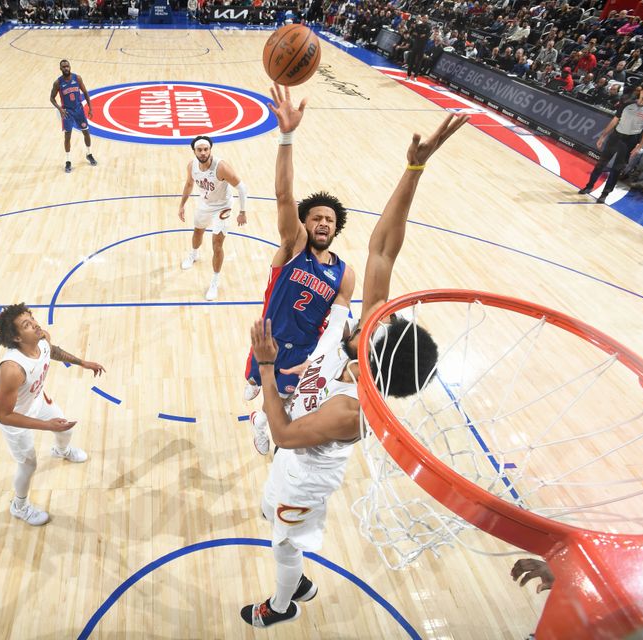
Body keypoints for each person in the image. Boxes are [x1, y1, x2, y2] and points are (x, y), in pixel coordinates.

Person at [240, 107, 467, 628]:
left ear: (377, 359)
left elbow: (283, 431)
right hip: (295, 435)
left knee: (283, 538)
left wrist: (272, 371)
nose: (368, 322)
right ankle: (294, 576)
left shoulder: (352, 410)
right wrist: (413, 170)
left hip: (305, 474)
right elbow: (383, 249)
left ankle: (280, 605)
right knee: (267, 514)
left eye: (374, 332)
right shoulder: (353, 344)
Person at [243, 86, 356, 455]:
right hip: (269, 338)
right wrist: (287, 136)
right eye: (316, 217)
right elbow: (283, 194)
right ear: (305, 224)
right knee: (258, 384)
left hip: (304, 350)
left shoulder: (345, 273)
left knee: (282, 407)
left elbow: (338, 323)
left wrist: (329, 354)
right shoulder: (293, 247)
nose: (323, 222)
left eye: (329, 219)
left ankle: (261, 422)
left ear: (335, 229)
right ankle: (260, 402)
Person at [0, 303, 105, 526]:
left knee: (66, 428)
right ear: (16, 338)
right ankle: (20, 506)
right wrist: (47, 425)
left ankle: (60, 450)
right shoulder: (12, 370)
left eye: (31, 318)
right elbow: (3, 415)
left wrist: (82, 363)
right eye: (26, 325)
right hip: (16, 418)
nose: (35, 324)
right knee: (28, 465)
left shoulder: (42, 337)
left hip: (36, 400)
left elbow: (51, 351)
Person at [177, 135, 248, 301]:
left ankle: (214, 281)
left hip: (223, 207)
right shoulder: (192, 166)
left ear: (210, 150)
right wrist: (182, 205)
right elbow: (188, 184)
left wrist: (242, 212)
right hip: (205, 204)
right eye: (200, 150)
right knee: (197, 233)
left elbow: (242, 188)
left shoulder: (221, 167)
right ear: (194, 151)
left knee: (217, 245)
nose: (203, 153)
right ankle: (193, 255)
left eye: (206, 149)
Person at [578, 84, 643, 203]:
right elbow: (615, 120)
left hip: (631, 139)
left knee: (616, 168)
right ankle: (589, 186)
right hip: (616, 136)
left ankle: (605, 194)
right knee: (601, 163)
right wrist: (603, 135)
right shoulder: (627, 103)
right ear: (641, 91)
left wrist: (640, 145)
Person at [49, 59, 97, 173]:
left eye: (67, 66)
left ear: (70, 67)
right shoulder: (58, 83)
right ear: (60, 69)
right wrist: (60, 109)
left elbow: (85, 92)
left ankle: (89, 154)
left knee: (86, 132)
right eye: (63, 67)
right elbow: (52, 98)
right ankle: (68, 161)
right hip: (67, 112)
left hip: (79, 110)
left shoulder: (77, 78)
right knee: (67, 136)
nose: (66, 68)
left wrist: (90, 108)